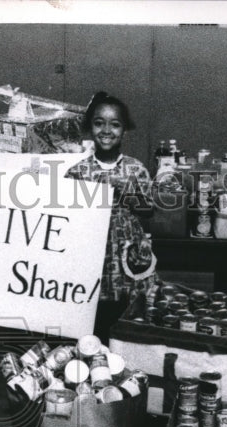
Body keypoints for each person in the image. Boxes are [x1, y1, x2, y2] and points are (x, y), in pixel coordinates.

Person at [64, 91, 158, 339]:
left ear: (124, 130)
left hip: (127, 253)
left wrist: (130, 196)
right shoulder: (78, 171)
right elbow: (66, 217)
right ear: (89, 128)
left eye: (115, 124)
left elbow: (149, 210)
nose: (106, 130)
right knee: (93, 317)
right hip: (91, 253)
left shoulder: (135, 168)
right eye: (99, 123)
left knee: (127, 311)